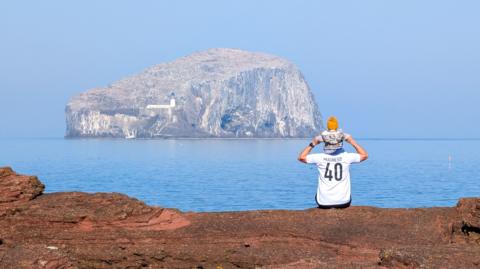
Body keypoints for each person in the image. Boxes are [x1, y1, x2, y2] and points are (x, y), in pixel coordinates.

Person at [298, 116, 368, 209]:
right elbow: (364, 155)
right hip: (344, 202)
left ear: (325, 141)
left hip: (323, 203)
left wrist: (313, 143)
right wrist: (351, 141)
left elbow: (301, 157)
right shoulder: (346, 157)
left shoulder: (319, 157)